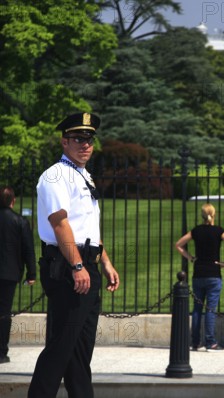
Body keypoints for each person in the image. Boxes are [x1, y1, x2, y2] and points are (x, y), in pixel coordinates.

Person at [29, 112, 120, 398]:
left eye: (89, 139)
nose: (85, 145)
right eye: (78, 139)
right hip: (68, 265)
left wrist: (104, 261)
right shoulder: (56, 175)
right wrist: (77, 264)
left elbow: (87, 226)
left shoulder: (82, 174)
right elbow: (60, 224)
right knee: (61, 346)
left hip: (85, 263)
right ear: (64, 142)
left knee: (80, 352)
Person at [175, 203, 224, 351]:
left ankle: (195, 342)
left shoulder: (196, 231)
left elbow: (178, 245)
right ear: (214, 214)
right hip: (213, 273)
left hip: (198, 273)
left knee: (197, 308)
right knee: (210, 308)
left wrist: (191, 258)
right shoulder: (218, 231)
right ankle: (210, 342)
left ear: (202, 215)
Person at [0, 186, 36, 364]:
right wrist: (32, 273)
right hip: (9, 273)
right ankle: (1, 351)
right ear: (13, 201)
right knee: (4, 313)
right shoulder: (20, 221)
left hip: (8, 271)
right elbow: (28, 249)